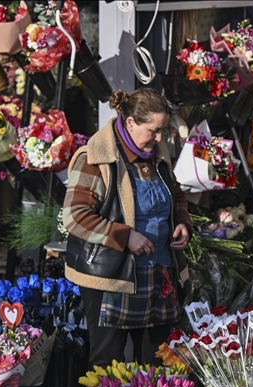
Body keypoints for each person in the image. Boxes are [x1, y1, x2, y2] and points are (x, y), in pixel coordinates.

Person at [63, 88, 191, 368]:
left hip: (158, 275)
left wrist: (182, 221)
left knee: (157, 361)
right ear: (130, 123)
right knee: (108, 364)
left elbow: (176, 192)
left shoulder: (157, 153)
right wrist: (124, 236)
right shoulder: (96, 158)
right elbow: (74, 216)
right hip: (112, 278)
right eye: (153, 130)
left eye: (162, 130)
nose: (159, 138)